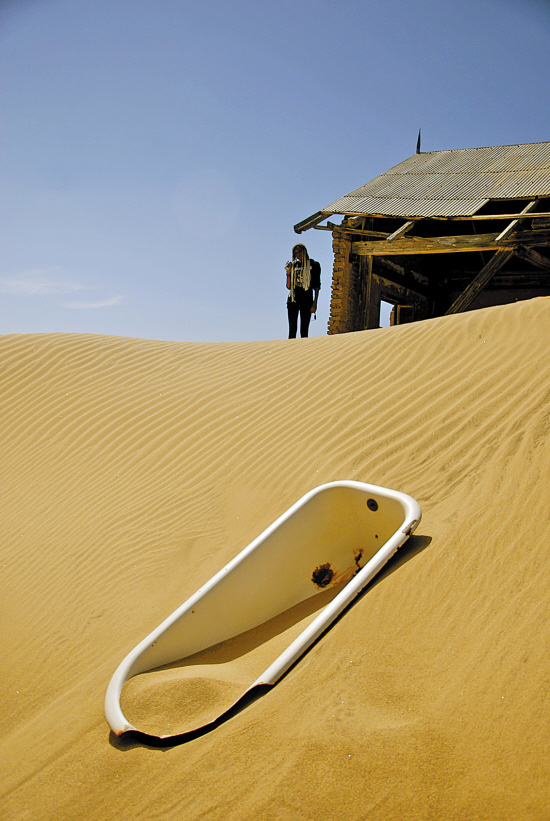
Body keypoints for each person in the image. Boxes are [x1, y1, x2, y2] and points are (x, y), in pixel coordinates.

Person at [285, 244, 321, 338]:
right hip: (293, 300)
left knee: (304, 330)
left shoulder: (314, 265)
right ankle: (290, 351)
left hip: (307, 300)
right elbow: (289, 286)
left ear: (304, 251)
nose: (298, 255)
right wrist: (288, 273)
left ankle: (303, 351)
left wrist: (315, 303)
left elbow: (317, 285)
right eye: (296, 253)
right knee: (292, 330)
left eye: (300, 252)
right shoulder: (294, 265)